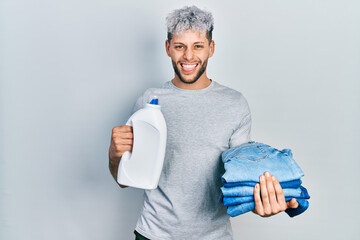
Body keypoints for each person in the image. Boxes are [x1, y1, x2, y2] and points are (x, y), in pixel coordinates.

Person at [109, 5, 299, 240]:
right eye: (180, 46)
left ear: (211, 48)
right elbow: (126, 180)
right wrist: (114, 154)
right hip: (154, 234)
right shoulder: (148, 101)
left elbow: (241, 179)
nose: (188, 56)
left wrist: (266, 203)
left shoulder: (234, 103)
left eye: (198, 46)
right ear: (168, 48)